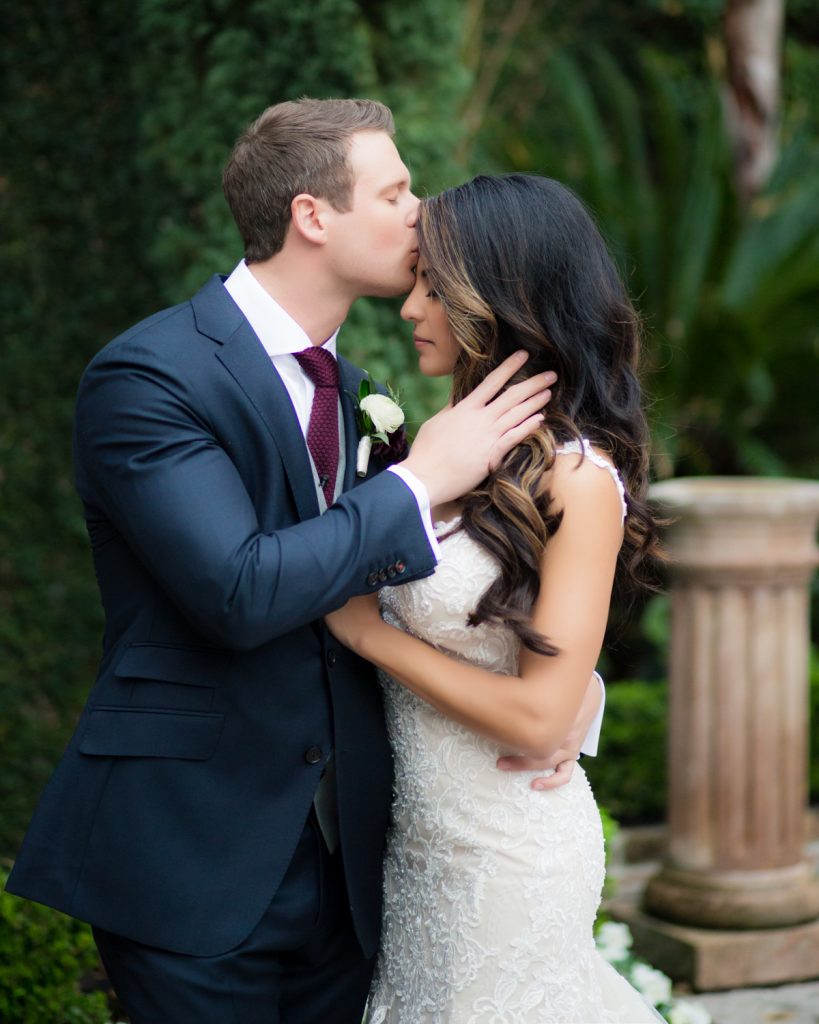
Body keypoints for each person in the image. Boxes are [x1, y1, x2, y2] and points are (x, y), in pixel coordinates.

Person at [5, 101, 604, 1023]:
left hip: (359, 866)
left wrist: (566, 701)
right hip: (194, 855)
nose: (420, 211)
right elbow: (238, 591)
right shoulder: (152, 376)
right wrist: (419, 482)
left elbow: (457, 589)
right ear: (312, 216)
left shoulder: (366, 395)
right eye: (396, 191)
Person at [326, 173, 666, 1022]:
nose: (409, 307)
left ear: (500, 298)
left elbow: (541, 719)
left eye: (433, 287)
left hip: (505, 858)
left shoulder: (574, 476)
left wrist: (368, 635)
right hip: (415, 850)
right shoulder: (429, 450)